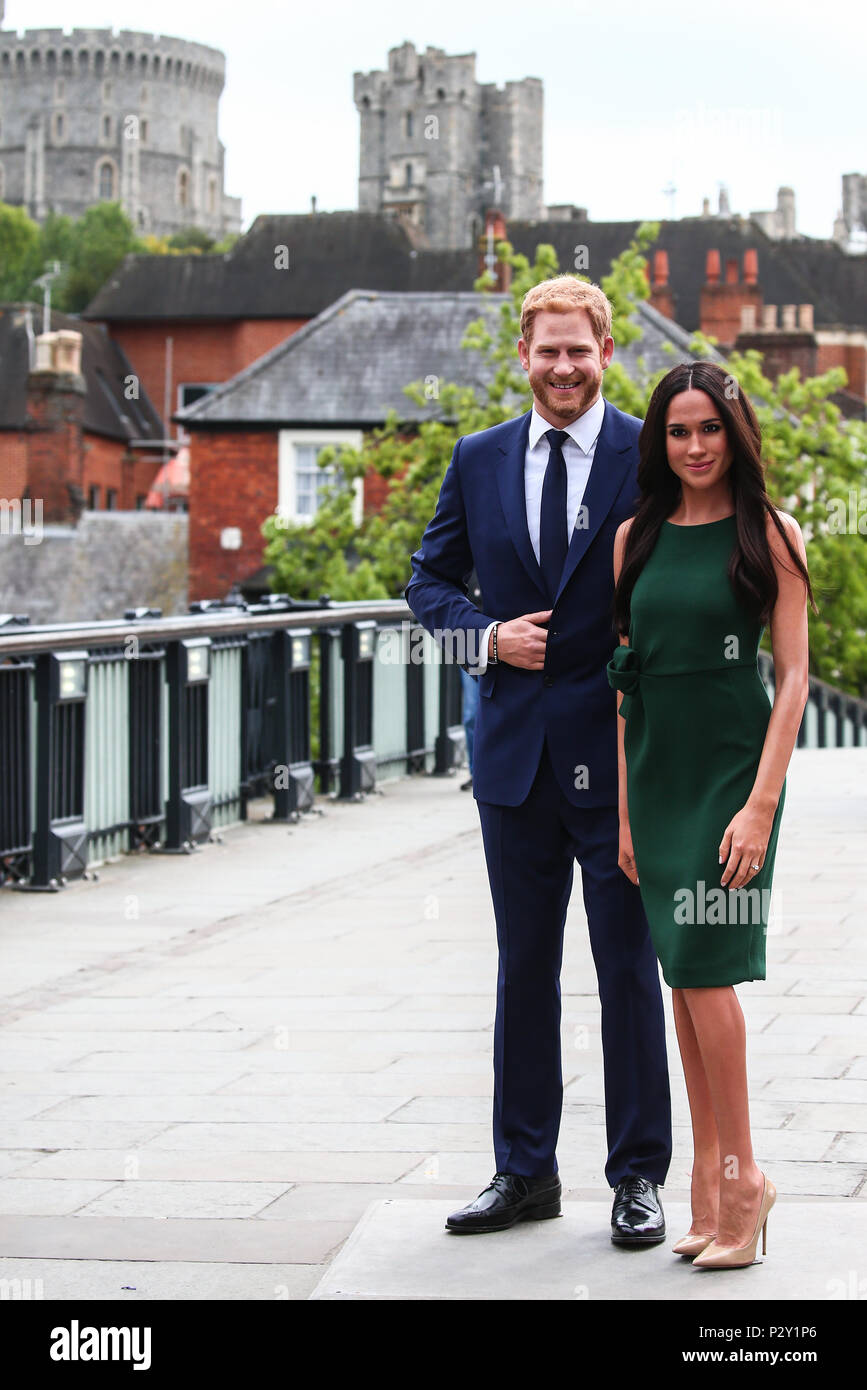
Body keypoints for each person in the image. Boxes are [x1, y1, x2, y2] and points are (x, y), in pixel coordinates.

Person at [406, 276, 672, 1244]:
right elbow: (426, 580)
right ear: (523, 356)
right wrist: (484, 637)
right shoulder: (477, 460)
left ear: (606, 353)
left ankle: (638, 1176)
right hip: (513, 756)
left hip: (617, 754)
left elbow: (688, 570)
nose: (564, 367)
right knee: (525, 970)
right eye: (547, 351)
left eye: (580, 350)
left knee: (627, 971)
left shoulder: (651, 452)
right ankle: (524, 1172)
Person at [608, 360, 813, 1269]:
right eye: (678, 431)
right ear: (661, 441)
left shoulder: (770, 534)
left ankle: (745, 1182)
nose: (694, 446)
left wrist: (760, 805)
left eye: (710, 428)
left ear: (735, 434)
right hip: (654, 778)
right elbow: (625, 685)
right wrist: (622, 814)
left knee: (703, 972)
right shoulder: (633, 540)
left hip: (733, 774)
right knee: (680, 986)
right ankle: (703, 1191)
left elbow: (795, 676)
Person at [459, 571, 483, 791]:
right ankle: (476, 773)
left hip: (510, 646)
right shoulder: (468, 567)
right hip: (473, 650)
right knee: (471, 714)